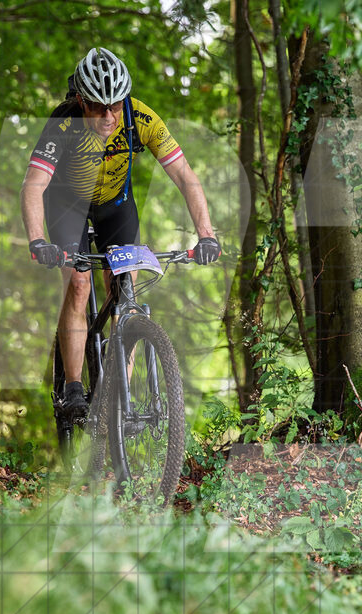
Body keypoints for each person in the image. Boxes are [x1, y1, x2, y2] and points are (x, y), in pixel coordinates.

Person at [21, 47, 220, 420]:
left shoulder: (140, 117)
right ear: (81, 100)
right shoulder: (62, 123)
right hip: (68, 206)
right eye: (98, 106)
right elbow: (33, 186)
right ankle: (73, 389)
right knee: (79, 284)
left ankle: (116, 402)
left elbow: (184, 176)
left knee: (124, 289)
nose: (109, 115)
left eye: (115, 104)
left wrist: (206, 235)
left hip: (116, 205)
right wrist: (38, 241)